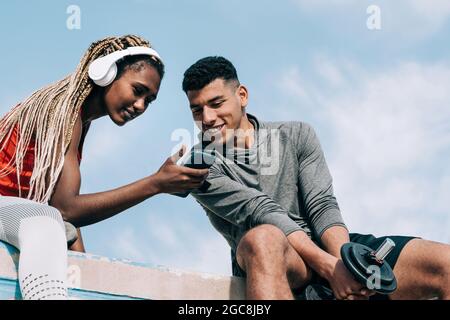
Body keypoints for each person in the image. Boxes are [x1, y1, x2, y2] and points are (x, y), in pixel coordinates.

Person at [181, 56, 450, 300]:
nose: (208, 118)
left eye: (216, 104)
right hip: (280, 262)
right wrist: (330, 268)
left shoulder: (297, 134)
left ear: (242, 95)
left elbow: (322, 204)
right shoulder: (197, 166)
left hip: (329, 249)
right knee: (263, 237)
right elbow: (261, 210)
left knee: (445, 263)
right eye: (197, 110)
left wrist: (346, 264)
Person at [0, 35, 208, 300]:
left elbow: (62, 211)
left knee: (53, 226)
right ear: (106, 72)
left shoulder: (75, 116)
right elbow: (66, 208)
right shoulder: (62, 111)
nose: (141, 105)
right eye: (138, 90)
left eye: (150, 100)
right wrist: (156, 184)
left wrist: (87, 275)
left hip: (11, 212)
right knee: (44, 224)